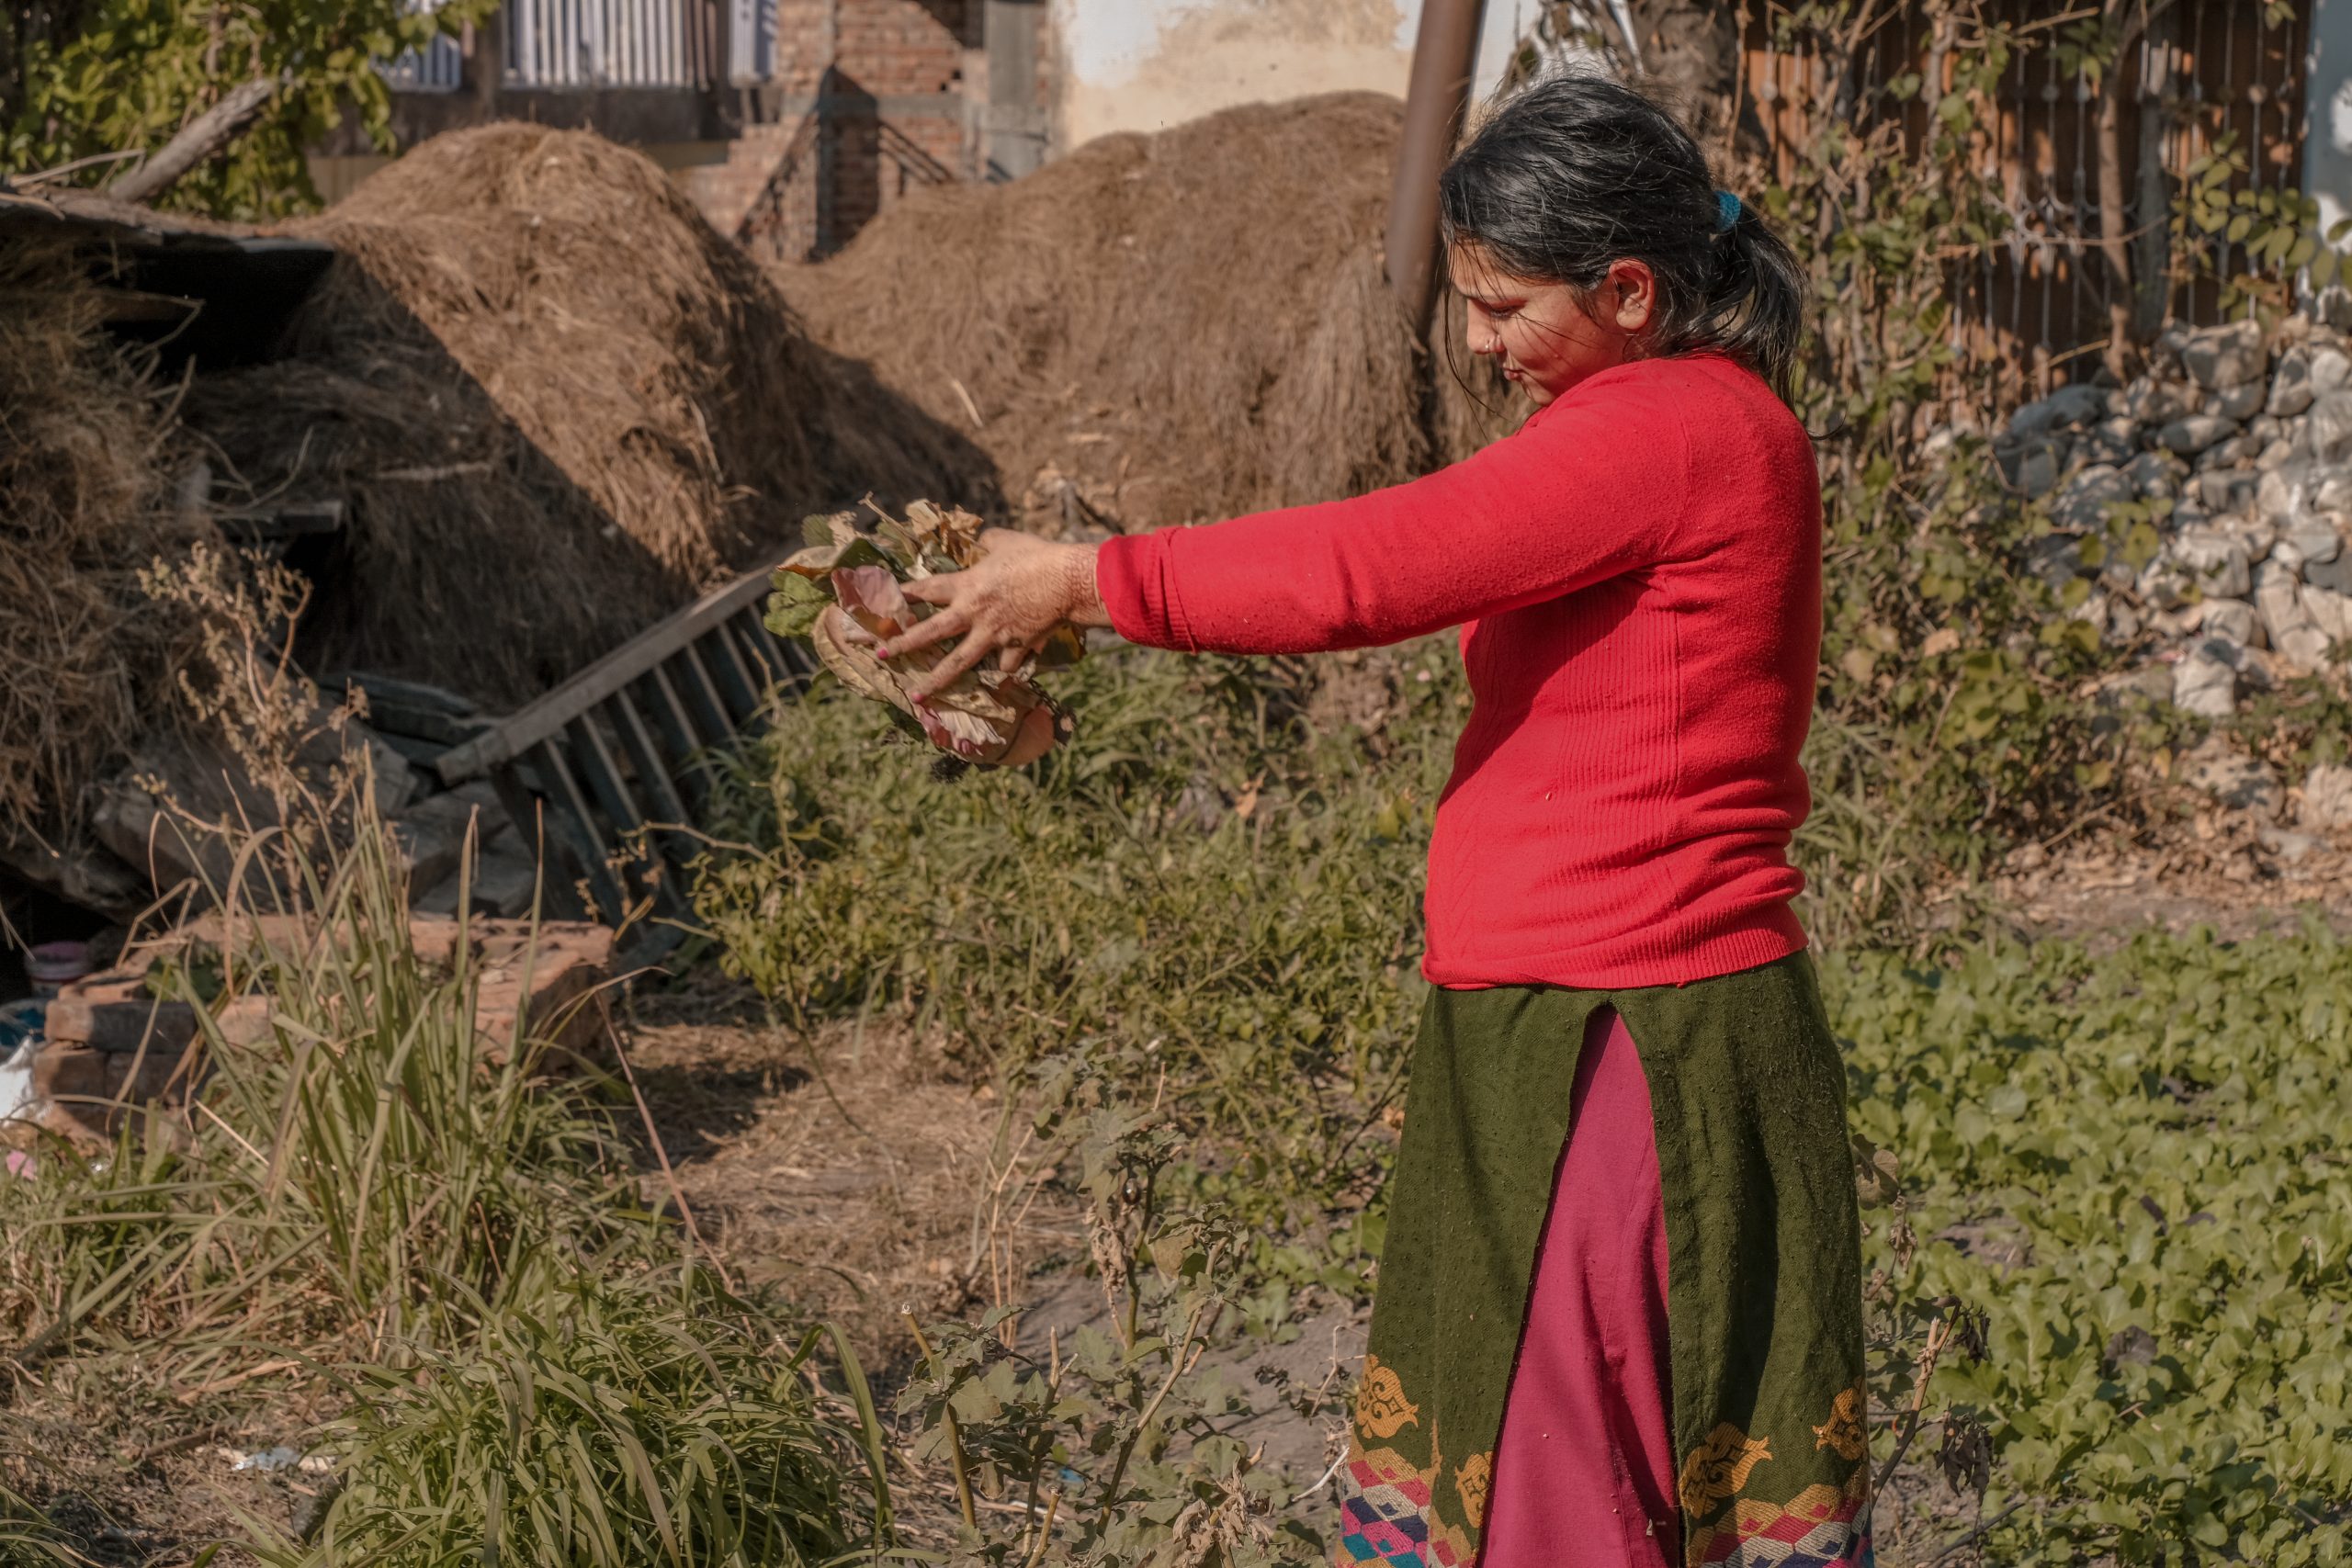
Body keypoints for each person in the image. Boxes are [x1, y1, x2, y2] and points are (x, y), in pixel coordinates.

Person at [877, 71, 1869, 1568]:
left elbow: (1378, 565)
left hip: (1621, 1046)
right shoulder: (1698, 422)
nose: (1478, 343)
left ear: (1631, 290)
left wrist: (1090, 582)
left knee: (1566, 1484)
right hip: (1590, 1019)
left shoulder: (1664, 428)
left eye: (1506, 306)